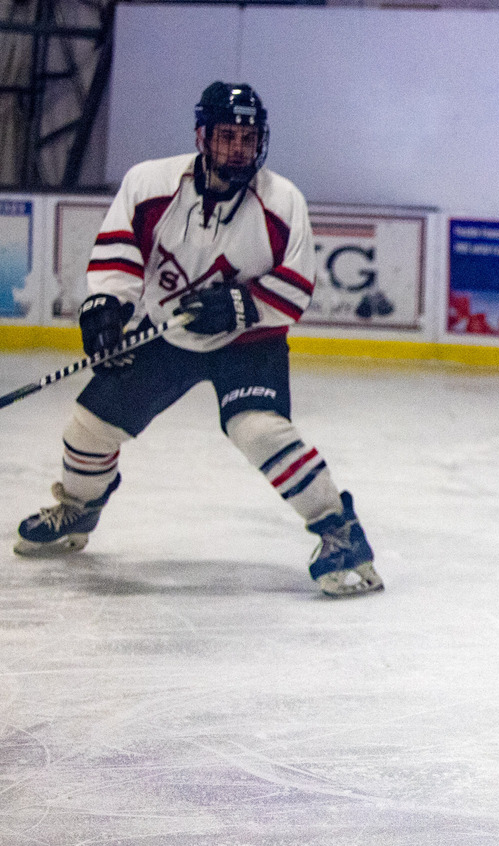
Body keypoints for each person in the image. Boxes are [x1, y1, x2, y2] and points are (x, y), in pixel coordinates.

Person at [13, 82, 382, 597]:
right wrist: (105, 304)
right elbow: (119, 252)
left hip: (249, 340)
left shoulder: (282, 203)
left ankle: (339, 530)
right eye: (227, 135)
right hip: (166, 331)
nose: (239, 147)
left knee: (258, 430)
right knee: (89, 427)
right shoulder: (150, 183)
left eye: (248, 137)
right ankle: (77, 509)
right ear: (202, 136)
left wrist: (237, 305)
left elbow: (295, 289)